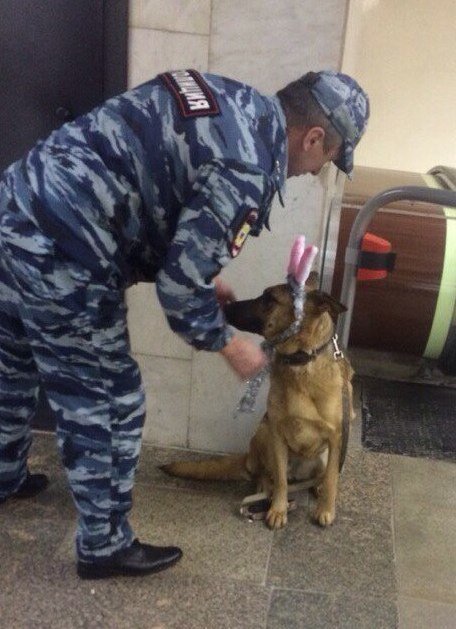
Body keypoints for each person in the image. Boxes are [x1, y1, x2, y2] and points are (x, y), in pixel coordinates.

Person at [0, 68, 369, 579]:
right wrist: (224, 343)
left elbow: (148, 182)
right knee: (110, 398)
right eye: (326, 158)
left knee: (12, 360)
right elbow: (178, 291)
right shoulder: (247, 167)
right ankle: (104, 546)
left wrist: (191, 276)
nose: (314, 171)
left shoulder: (228, 97)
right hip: (67, 252)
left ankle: (3, 474)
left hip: (18, 206)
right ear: (312, 137)